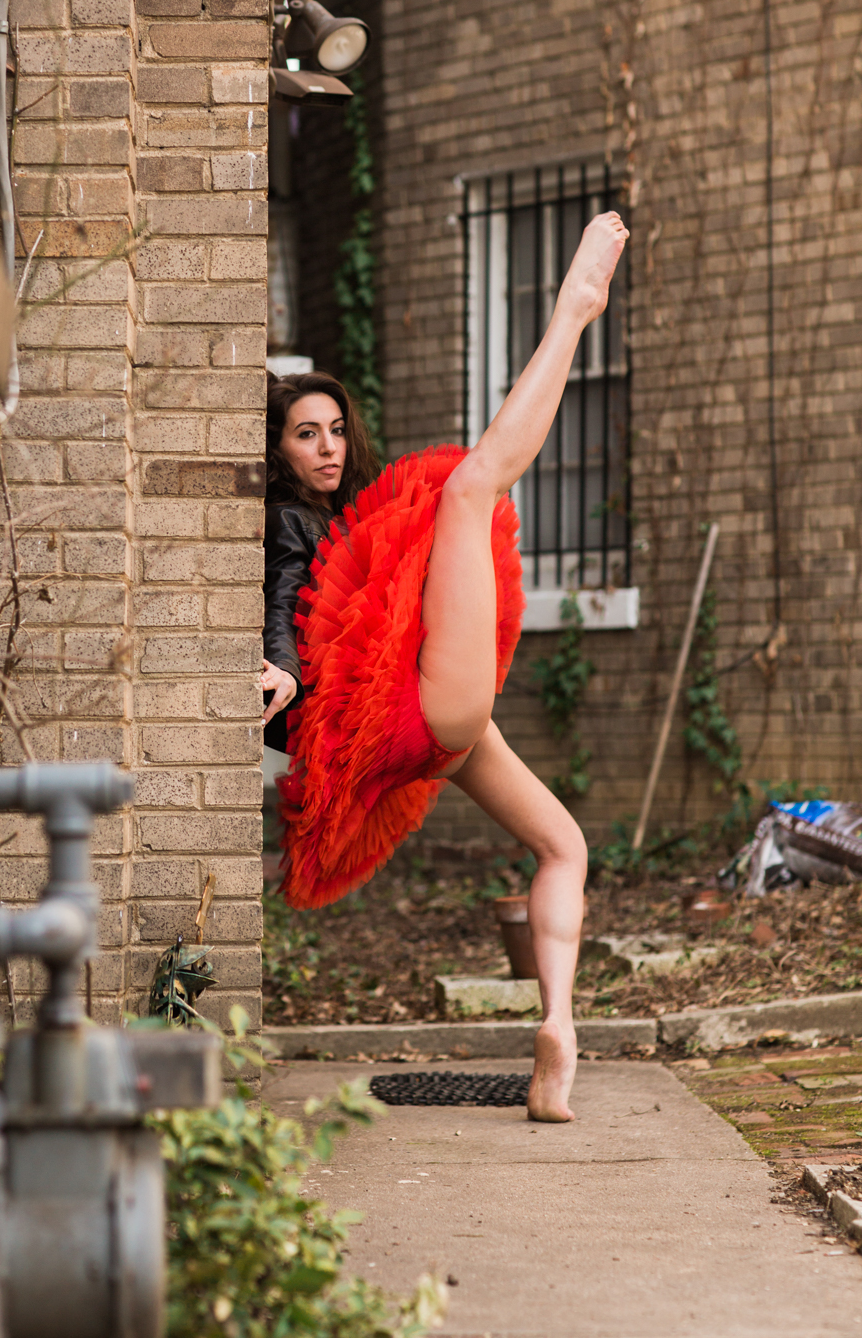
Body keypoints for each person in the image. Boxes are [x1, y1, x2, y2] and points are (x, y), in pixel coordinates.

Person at [259, 210, 630, 1122]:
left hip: (422, 732)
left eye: (336, 429)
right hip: (402, 709)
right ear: (276, 450)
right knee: (469, 490)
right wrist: (280, 672)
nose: (328, 447)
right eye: (306, 434)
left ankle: (557, 1032)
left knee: (564, 845)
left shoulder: (357, 525)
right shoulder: (288, 524)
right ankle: (574, 313)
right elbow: (284, 594)